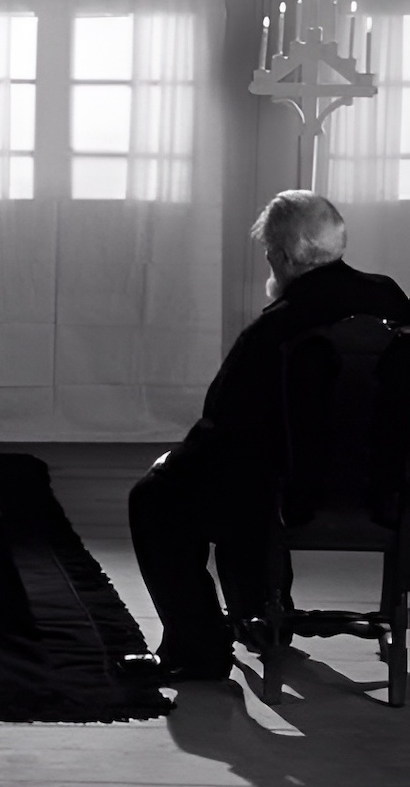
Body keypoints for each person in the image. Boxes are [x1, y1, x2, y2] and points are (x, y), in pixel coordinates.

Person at [128, 190, 410, 681]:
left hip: (294, 498)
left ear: (282, 256)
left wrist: (174, 464)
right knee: (255, 471)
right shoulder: (392, 300)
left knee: (160, 495)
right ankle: (262, 613)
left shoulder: (277, 326)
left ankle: (199, 649)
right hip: (390, 494)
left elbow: (221, 425)